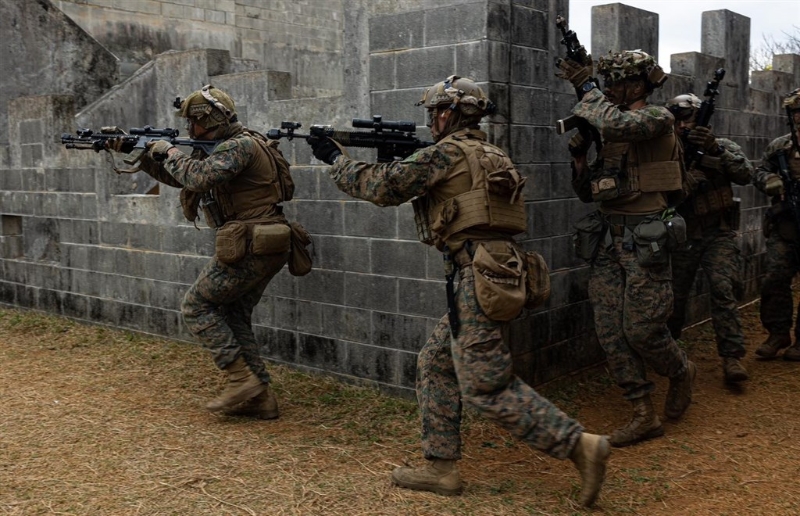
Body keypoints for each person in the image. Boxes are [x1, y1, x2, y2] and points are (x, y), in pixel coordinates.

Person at [308, 75, 610, 507]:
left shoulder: (448, 152)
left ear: (450, 112)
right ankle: (441, 467)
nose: (431, 120)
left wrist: (335, 159)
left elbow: (382, 186)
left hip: (477, 275)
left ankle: (579, 445)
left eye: (434, 112)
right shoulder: (489, 152)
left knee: (486, 385)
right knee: (436, 362)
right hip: (495, 270)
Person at [108, 85, 296, 419]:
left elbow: (199, 177)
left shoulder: (240, 146)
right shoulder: (230, 146)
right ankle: (260, 397)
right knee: (233, 313)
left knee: (197, 305)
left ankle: (241, 379)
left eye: (195, 123)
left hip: (253, 242)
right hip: (264, 241)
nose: (190, 131)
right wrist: (139, 150)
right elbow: (182, 178)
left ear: (211, 118)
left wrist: (167, 151)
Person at [557, 50, 696, 448]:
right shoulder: (612, 134)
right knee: (609, 330)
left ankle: (681, 369)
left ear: (639, 84)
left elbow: (615, 121)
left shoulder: (656, 119)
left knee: (642, 330)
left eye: (618, 81)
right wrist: (581, 159)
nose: (612, 88)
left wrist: (585, 88)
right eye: (608, 81)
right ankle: (642, 413)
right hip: (607, 239)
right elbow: (587, 194)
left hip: (645, 239)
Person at [663, 93, 754, 383]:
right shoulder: (667, 151)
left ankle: (731, 358)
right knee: (674, 299)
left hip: (718, 234)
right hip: (683, 236)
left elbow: (745, 174)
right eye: (677, 121)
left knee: (723, 289)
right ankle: (671, 356)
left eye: (688, 120)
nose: (683, 127)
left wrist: (714, 150)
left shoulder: (722, 147)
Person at [752, 87, 800, 360]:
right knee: (775, 278)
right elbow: (758, 170)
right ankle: (778, 333)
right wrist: (768, 181)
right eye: (796, 112)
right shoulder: (780, 147)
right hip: (785, 225)